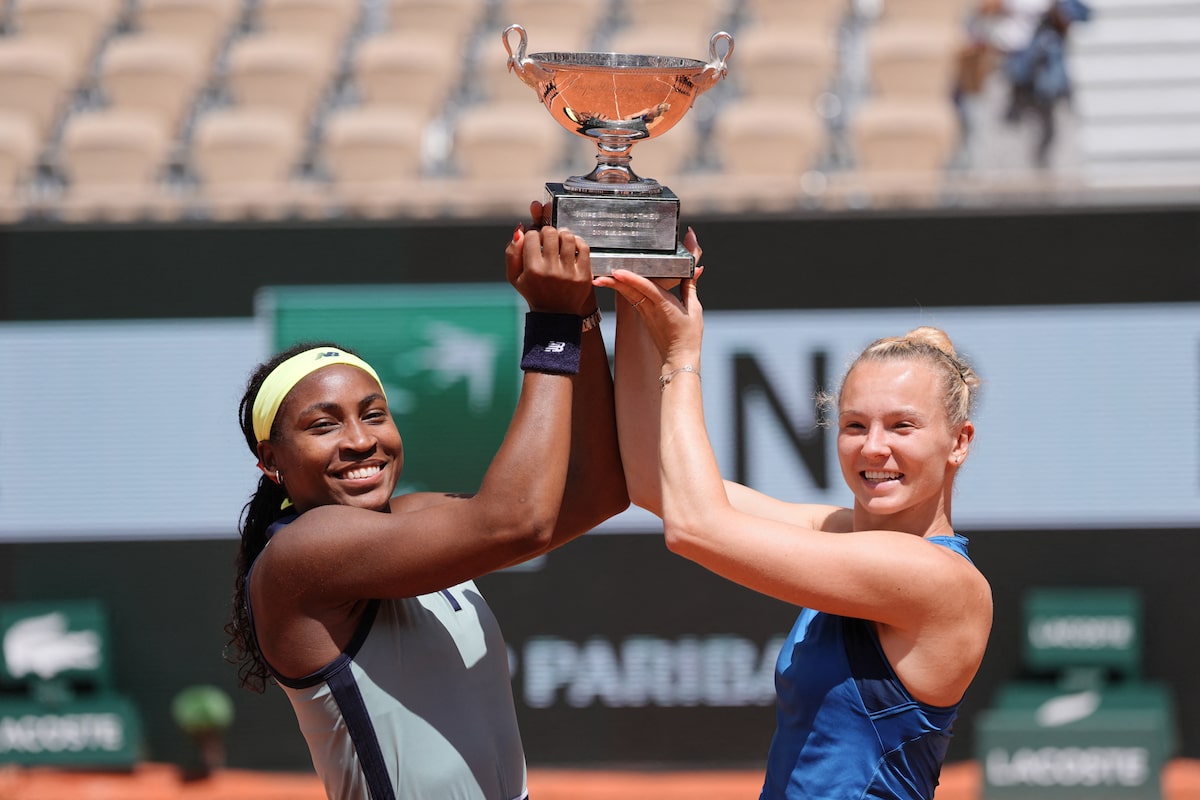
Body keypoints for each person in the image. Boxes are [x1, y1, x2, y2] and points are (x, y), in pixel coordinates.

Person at [224, 223, 628, 800]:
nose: (360, 440)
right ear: (271, 460)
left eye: (374, 413)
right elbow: (518, 521)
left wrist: (582, 308)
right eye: (323, 424)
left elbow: (599, 493)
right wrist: (551, 327)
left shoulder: (412, 517)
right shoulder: (301, 554)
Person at [594, 250, 993, 799]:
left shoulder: (939, 581)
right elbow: (650, 482)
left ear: (959, 442)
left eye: (903, 426)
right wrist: (634, 291)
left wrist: (682, 357)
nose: (874, 447)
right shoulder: (836, 532)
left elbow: (695, 527)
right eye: (855, 425)